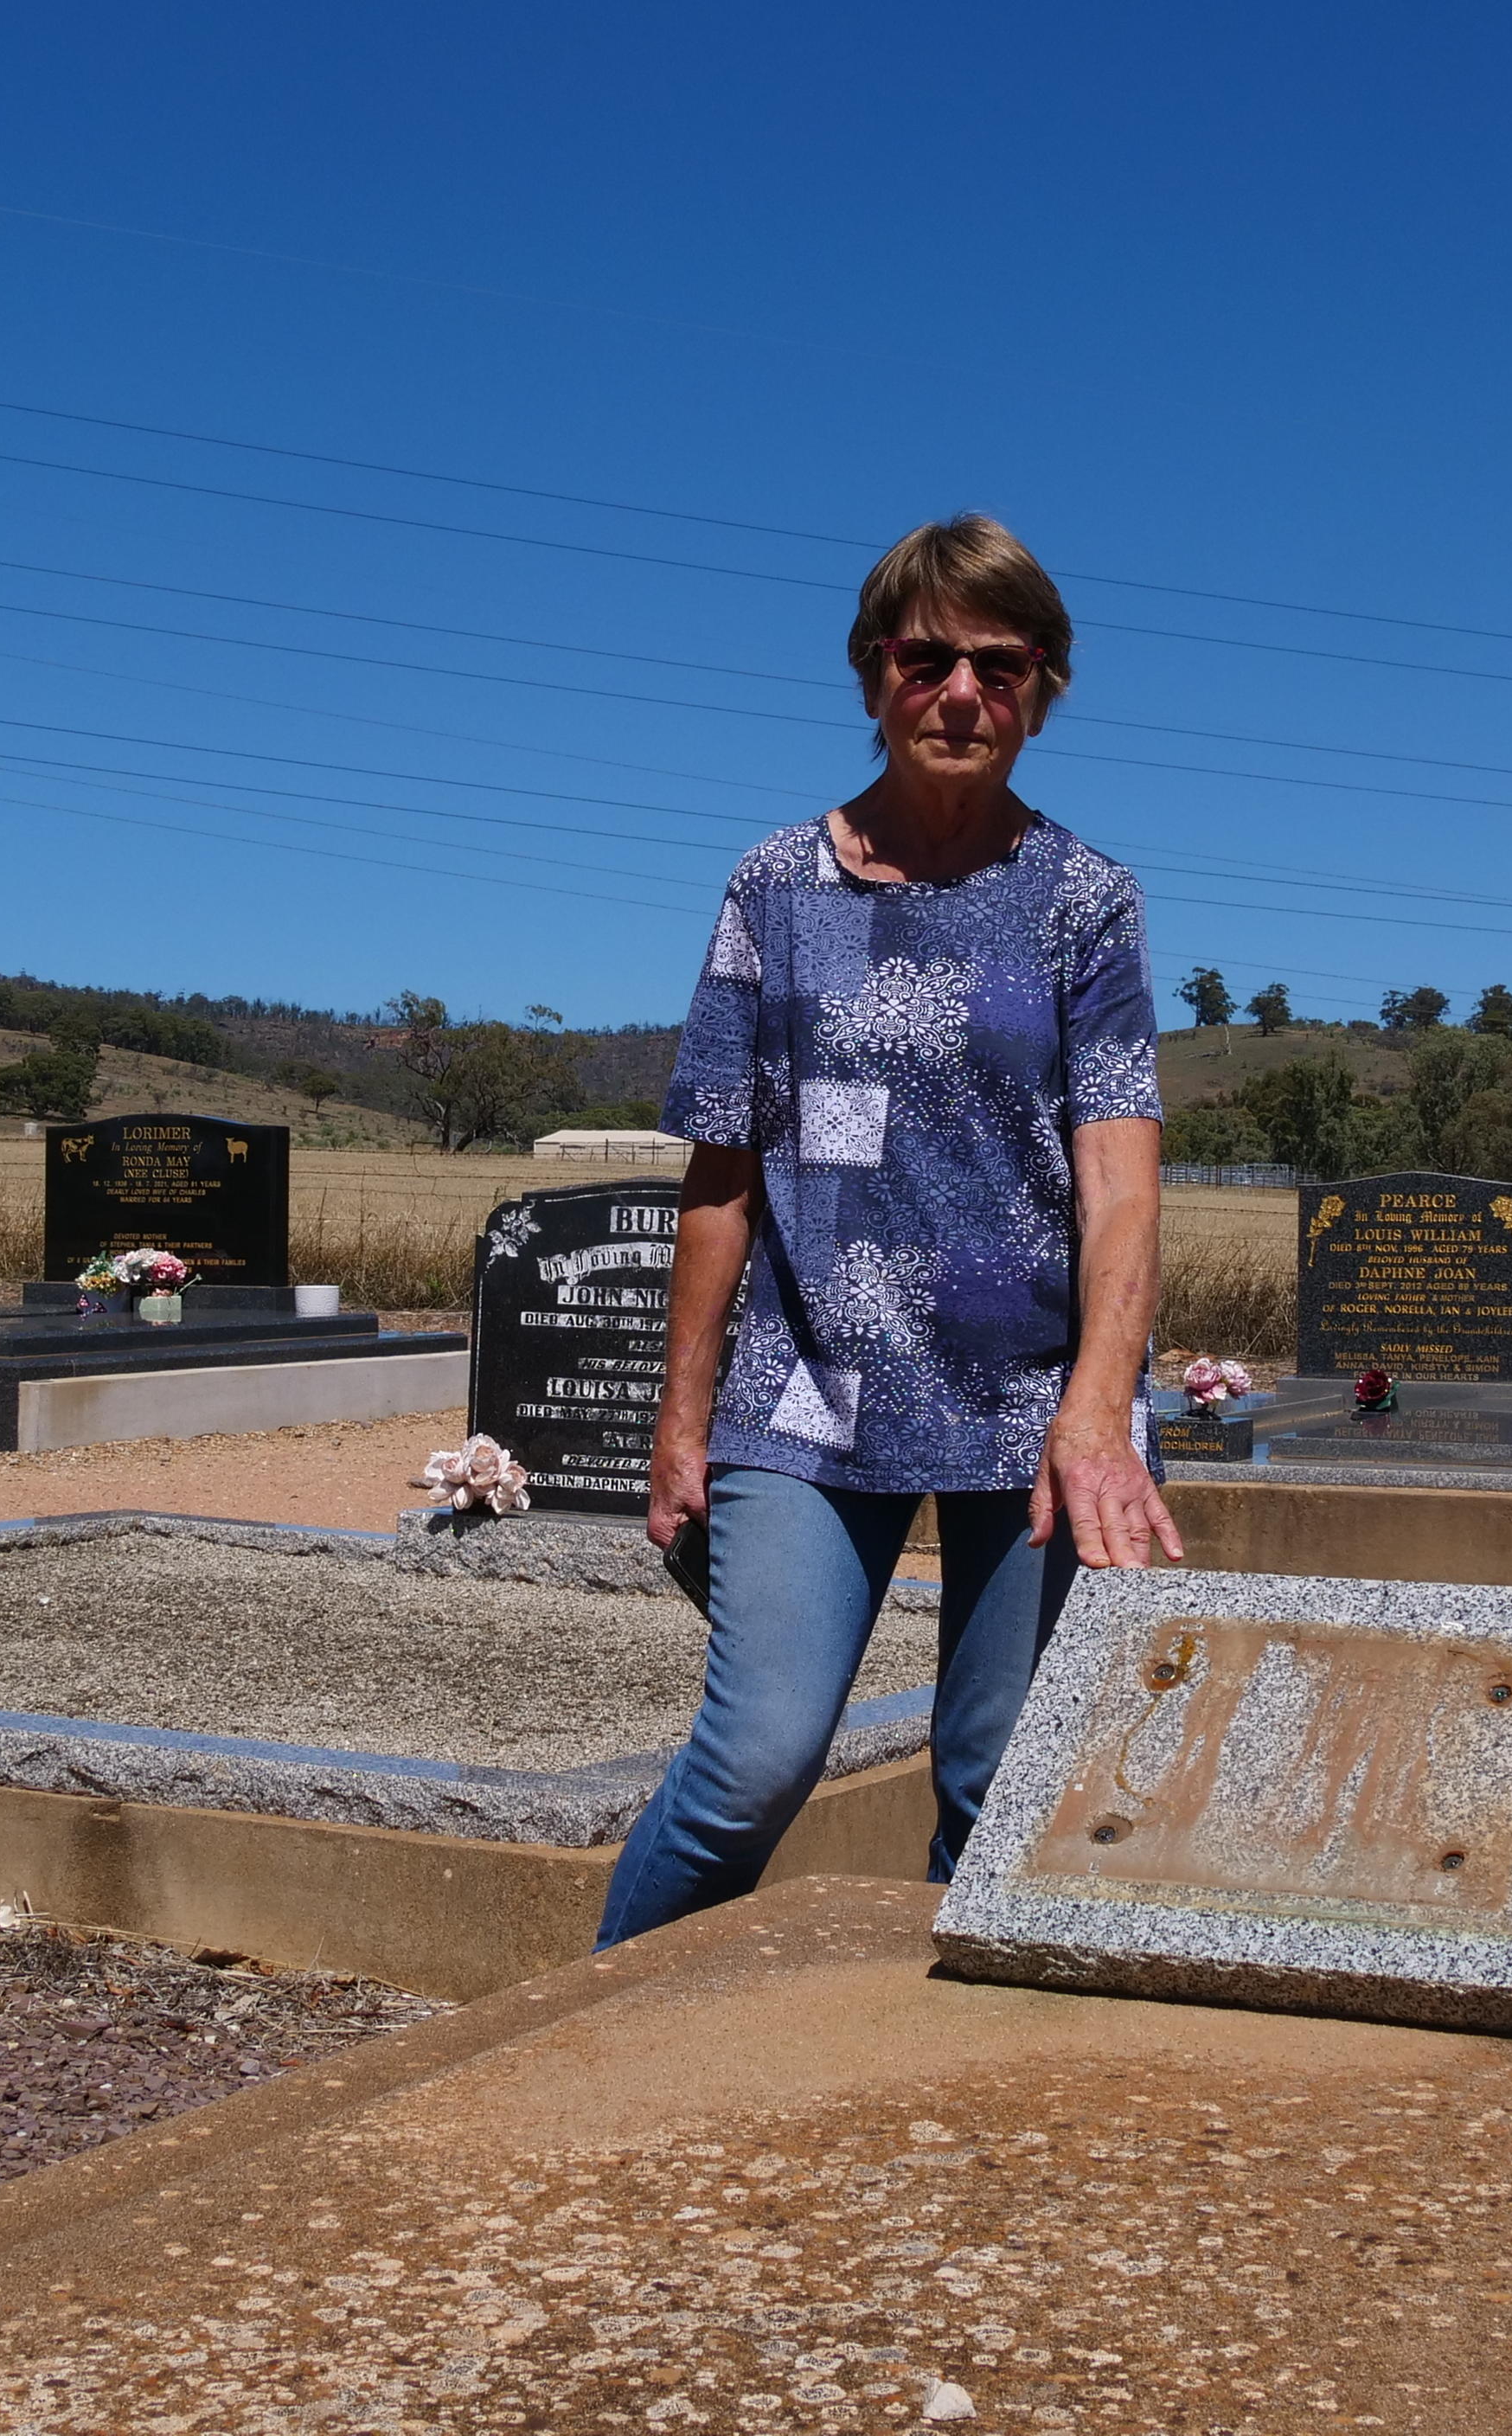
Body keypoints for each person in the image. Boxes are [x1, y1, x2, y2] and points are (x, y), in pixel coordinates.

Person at [600, 513, 1180, 1948]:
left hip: (1026, 1404)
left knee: (995, 1787)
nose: (962, 694)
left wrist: (1097, 1413)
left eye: (1002, 663)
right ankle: (580, 2032)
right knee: (754, 1767)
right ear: (873, 676)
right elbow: (723, 1174)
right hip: (810, 1394)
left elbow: (1121, 1181)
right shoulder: (775, 890)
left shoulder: (1085, 903)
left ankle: (918, 2103)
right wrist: (681, 1422)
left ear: (1043, 689)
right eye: (927, 660)